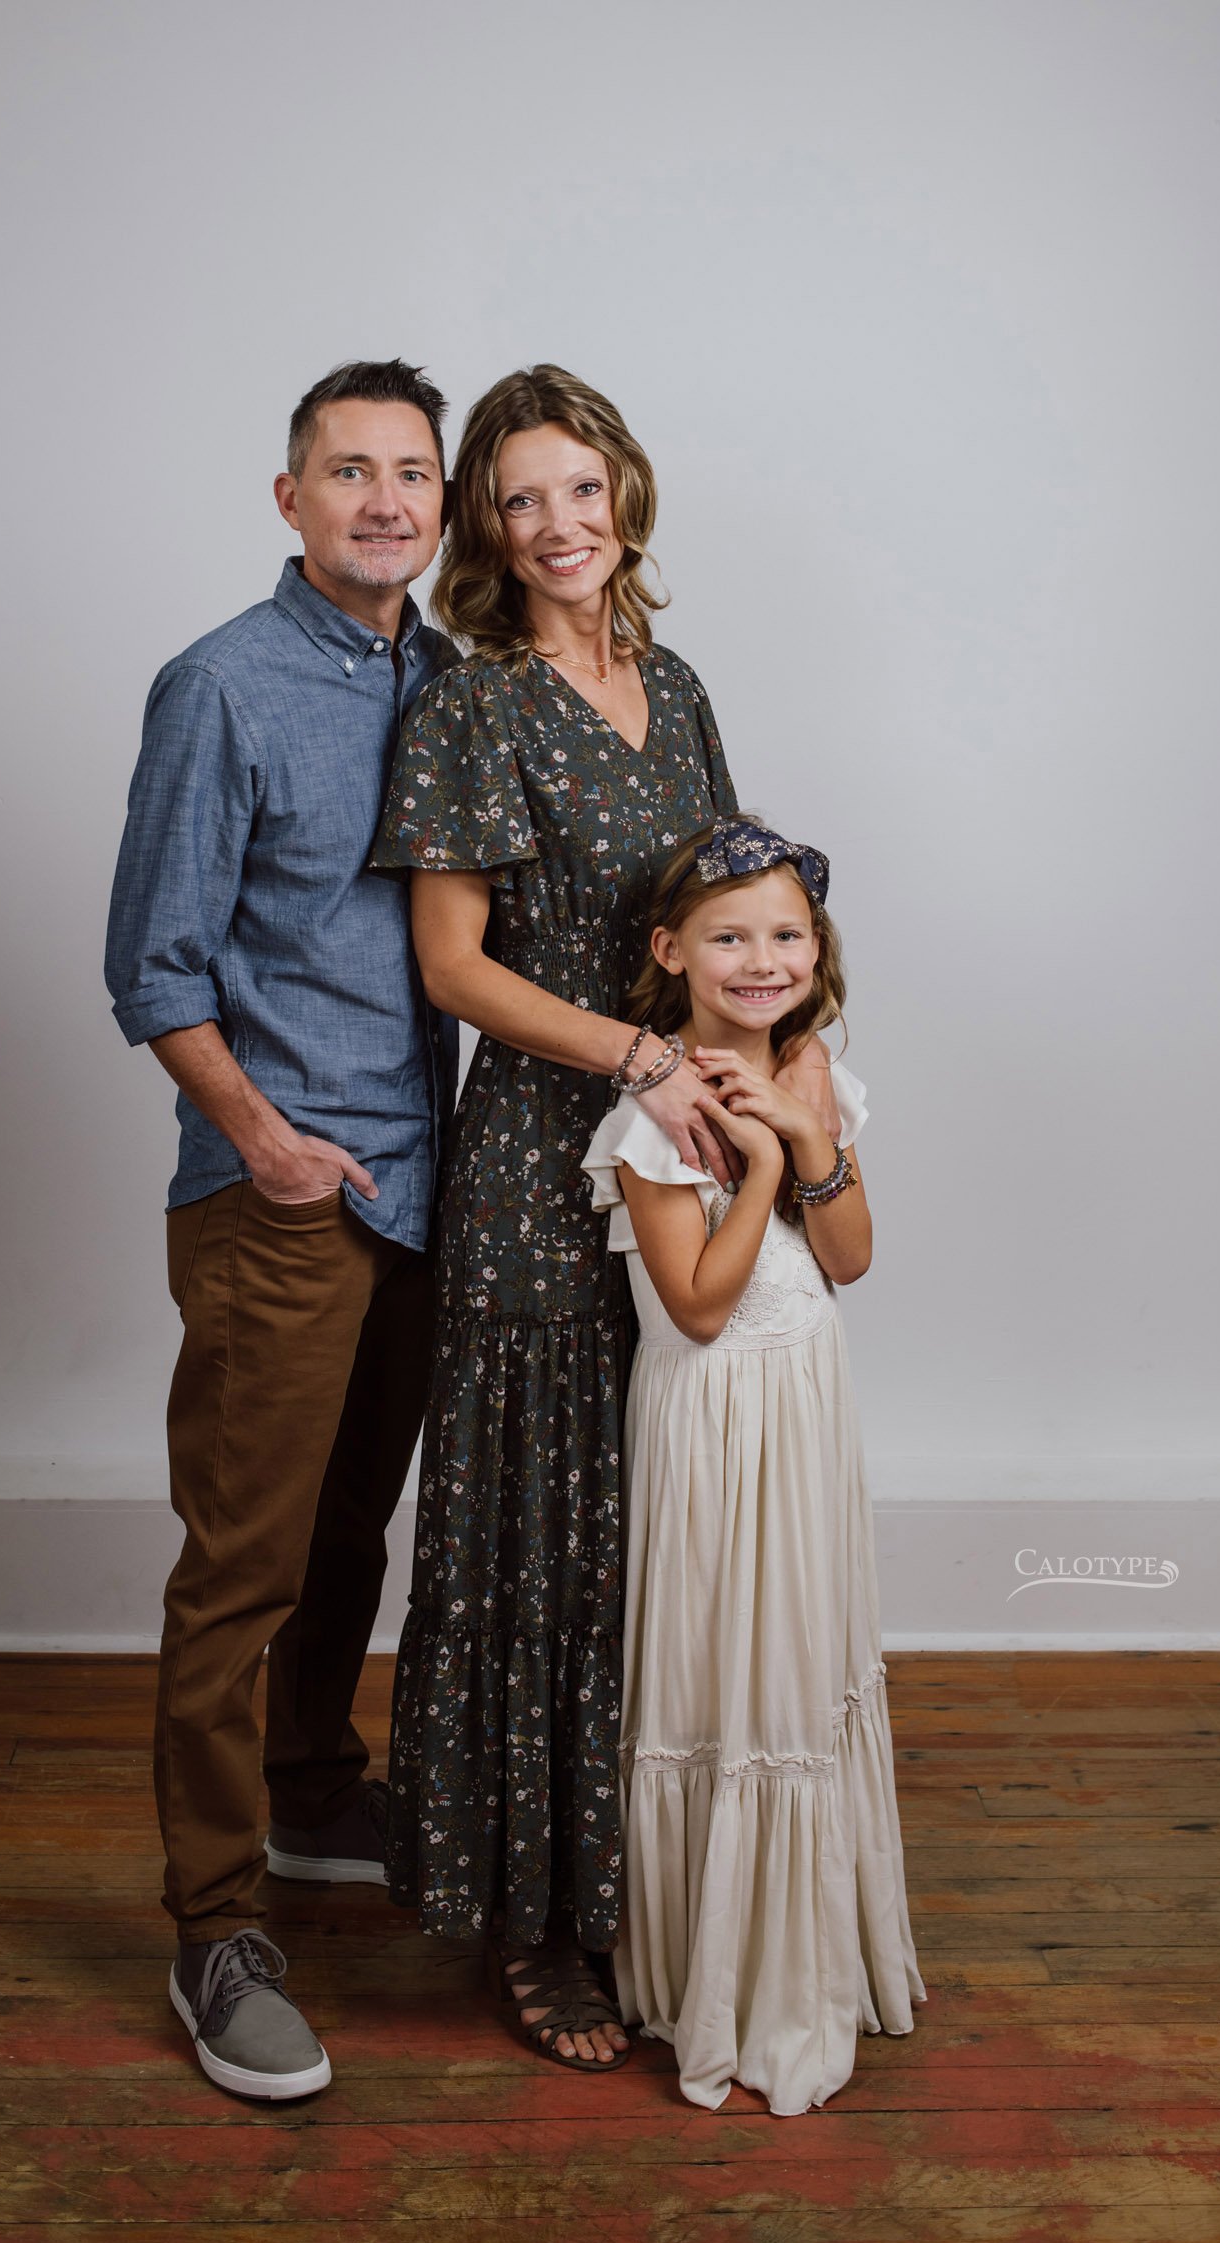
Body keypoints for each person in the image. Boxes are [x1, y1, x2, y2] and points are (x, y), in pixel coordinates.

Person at [370, 366, 838, 2070]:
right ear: (488, 530)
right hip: (531, 1171)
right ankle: (533, 1926)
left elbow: (727, 910)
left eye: (584, 489)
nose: (560, 526)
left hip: (681, 1142)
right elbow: (452, 964)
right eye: (521, 500)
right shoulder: (473, 702)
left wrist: (770, 1076)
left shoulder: (679, 679)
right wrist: (640, 1054)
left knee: (654, 1531)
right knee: (535, 1546)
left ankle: (636, 1873)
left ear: (626, 493)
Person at [104, 358, 458, 2101]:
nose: (383, 499)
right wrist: (265, 1141)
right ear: (290, 500)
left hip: (428, 1192)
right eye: (347, 470)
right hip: (279, 1204)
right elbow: (152, 971)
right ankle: (216, 1921)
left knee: (350, 1532)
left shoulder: (458, 683)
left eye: (411, 472)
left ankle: (319, 1787)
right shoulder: (221, 687)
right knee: (239, 1565)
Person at [580, 813, 925, 2111]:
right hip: (715, 1420)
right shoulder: (653, 1120)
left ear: (815, 949)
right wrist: (763, 1155)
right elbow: (701, 1308)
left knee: (804, 1656)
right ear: (673, 951)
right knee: (731, 1663)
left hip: (804, 1407)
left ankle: (817, 1944)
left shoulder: (814, 1069)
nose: (762, 957)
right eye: (729, 935)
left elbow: (851, 1258)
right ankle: (719, 1972)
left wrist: (807, 1131)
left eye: (786, 933)